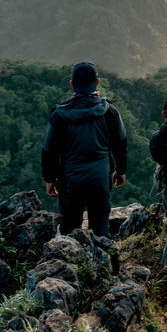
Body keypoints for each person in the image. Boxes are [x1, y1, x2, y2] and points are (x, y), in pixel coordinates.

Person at [42, 61, 127, 238]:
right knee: (101, 230)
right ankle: (107, 263)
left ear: (72, 84)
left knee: (69, 230)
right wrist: (120, 171)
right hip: (99, 179)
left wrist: (50, 178)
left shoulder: (59, 115)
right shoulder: (109, 111)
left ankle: (71, 263)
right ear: (97, 83)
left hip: (70, 181)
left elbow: (49, 150)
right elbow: (120, 143)